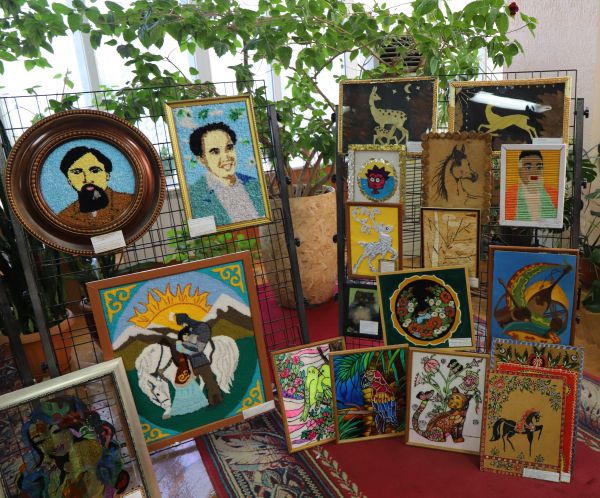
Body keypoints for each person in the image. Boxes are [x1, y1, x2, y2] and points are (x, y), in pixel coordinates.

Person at [187, 122, 265, 224]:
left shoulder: (254, 183)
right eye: (215, 152)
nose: (225, 157)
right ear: (202, 159)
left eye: (229, 147)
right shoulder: (196, 195)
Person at [57, 146, 134, 227]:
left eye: (95, 171)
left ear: (107, 175)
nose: (87, 179)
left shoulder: (129, 203)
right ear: (69, 181)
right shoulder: (64, 217)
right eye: (77, 172)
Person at [505, 149, 558, 222]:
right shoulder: (510, 194)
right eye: (528, 167)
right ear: (520, 170)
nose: (534, 172)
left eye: (539, 167)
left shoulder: (553, 194)